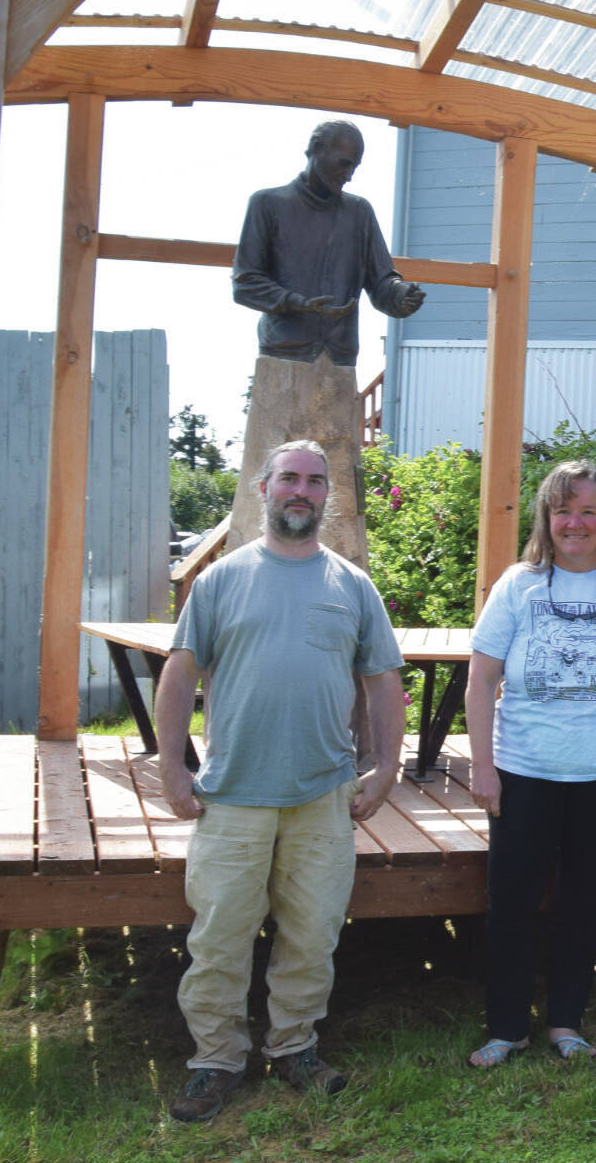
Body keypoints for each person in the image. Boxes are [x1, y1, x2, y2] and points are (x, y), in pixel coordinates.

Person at [155, 440, 407, 1122]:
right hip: (232, 793)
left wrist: (386, 766)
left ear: (328, 495)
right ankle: (215, 1060)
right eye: (289, 478)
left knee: (312, 934)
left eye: (315, 481)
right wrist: (171, 764)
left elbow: (383, 682)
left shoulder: (352, 586)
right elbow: (178, 675)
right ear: (262, 489)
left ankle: (294, 1046)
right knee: (219, 940)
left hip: (322, 795)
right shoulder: (219, 580)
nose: (302, 490)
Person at [463, 462, 596, 1066]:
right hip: (524, 772)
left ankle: (565, 1021)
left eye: (588, 511)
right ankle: (506, 1027)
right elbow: (480, 681)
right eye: (564, 510)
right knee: (510, 902)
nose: (575, 522)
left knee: (583, 901)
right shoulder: (518, 585)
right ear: (546, 517)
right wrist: (483, 766)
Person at [227, 118, 425, 569]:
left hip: (338, 363)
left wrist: (400, 295)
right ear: (313, 151)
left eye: (354, 165)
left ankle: (344, 571)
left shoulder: (359, 214)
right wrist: (294, 302)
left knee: (338, 484)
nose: (348, 173)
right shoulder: (269, 205)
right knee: (266, 476)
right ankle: (250, 568)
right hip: (282, 363)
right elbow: (245, 283)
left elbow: (381, 279)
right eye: (341, 162)